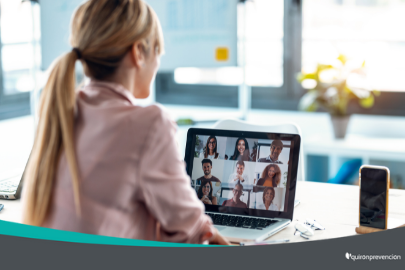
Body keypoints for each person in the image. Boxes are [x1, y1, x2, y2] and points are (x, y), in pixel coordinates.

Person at [22, 0, 228, 245]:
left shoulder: (63, 109)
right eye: (157, 51)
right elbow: (192, 229)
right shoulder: (149, 124)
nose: (158, 62)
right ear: (138, 52)